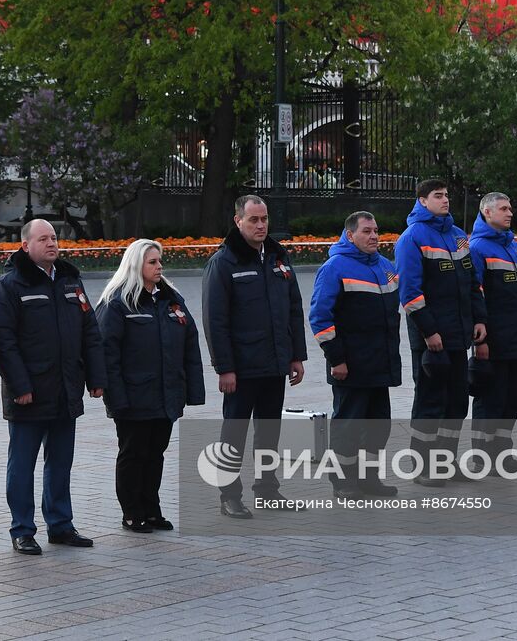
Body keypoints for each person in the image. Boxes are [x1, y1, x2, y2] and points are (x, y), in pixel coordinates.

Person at [0, 219, 105, 554]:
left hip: (65, 389)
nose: (52, 243)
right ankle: (22, 529)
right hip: (29, 395)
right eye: (43, 239)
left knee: (60, 462)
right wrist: (19, 386)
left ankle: (60, 525)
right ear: (26, 246)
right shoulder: (10, 285)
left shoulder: (71, 281)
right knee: (22, 464)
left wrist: (96, 378)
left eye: (54, 237)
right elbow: (1, 340)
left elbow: (90, 332)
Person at [202, 195, 308, 518]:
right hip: (241, 368)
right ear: (238, 221)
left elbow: (293, 308)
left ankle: (266, 490)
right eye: (253, 220)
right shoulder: (224, 262)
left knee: (268, 431)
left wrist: (296, 356)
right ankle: (229, 495)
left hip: (275, 363)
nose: (261, 225)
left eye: (264, 219)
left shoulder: (278, 256)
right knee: (233, 432)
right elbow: (214, 320)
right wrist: (225, 368)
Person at [97, 240, 205, 531]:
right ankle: (132, 512)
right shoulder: (117, 303)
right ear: (136, 266)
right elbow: (107, 352)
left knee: (155, 453)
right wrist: (115, 397)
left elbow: (189, 346)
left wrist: (190, 391)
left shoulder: (171, 300)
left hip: (165, 395)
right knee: (134, 454)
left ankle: (152, 509)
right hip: (133, 397)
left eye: (159, 261)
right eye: (152, 262)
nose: (159, 267)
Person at [394, 179, 487, 487]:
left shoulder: (459, 237)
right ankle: (422, 466)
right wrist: (429, 332)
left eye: (447, 195)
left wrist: (479, 320)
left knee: (456, 402)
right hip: (432, 340)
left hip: (459, 335)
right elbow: (410, 294)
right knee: (430, 403)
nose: (445, 200)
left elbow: (472, 283)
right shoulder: (412, 238)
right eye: (438, 196)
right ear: (422, 201)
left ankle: (444, 462)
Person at [307, 211, 402, 498]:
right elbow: (320, 318)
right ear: (350, 235)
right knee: (348, 427)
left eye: (376, 230)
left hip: (379, 364)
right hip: (350, 366)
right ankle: (343, 483)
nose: (374, 236)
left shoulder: (386, 267)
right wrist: (337, 359)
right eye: (366, 231)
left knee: (377, 427)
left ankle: (369, 479)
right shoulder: (335, 267)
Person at [466, 193, 517, 475]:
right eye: (503, 209)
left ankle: (502, 453)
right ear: (486, 211)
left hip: (516, 337)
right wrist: (480, 341)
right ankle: (483, 457)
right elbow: (476, 296)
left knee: (510, 400)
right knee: (490, 400)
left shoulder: (515, 249)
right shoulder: (477, 248)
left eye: (510, 207)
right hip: (493, 339)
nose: (510, 213)